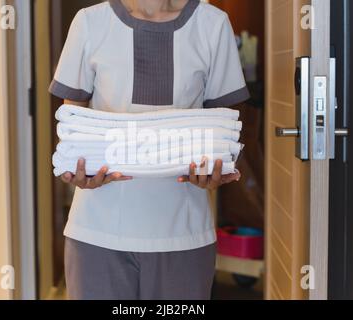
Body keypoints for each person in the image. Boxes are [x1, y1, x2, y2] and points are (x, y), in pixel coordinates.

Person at [49, 0, 249, 300]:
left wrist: (217, 169)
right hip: (97, 233)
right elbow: (72, 131)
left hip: (183, 235)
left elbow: (222, 133)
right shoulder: (90, 22)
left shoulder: (212, 24)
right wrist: (75, 170)